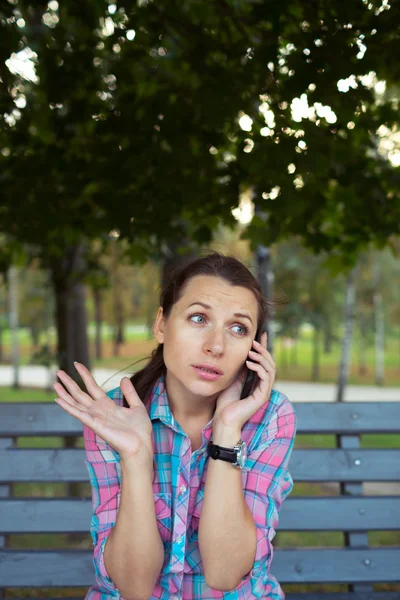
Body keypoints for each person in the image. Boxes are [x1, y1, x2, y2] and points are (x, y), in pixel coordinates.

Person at [54, 252, 297, 600]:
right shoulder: (114, 414)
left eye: (238, 328)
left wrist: (227, 431)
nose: (216, 346)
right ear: (161, 325)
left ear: (254, 348)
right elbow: (133, 587)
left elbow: (225, 574)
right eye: (198, 318)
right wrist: (136, 458)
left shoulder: (270, 416)